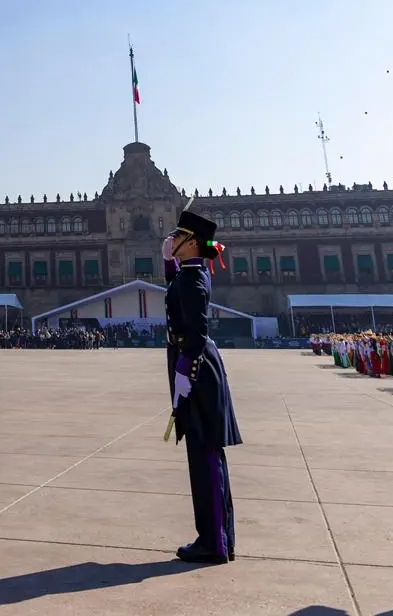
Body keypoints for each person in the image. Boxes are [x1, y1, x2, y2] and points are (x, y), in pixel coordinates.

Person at [163, 208, 242, 565]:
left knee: (205, 454)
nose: (171, 241)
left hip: (196, 369)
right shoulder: (191, 274)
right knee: (203, 453)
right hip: (194, 365)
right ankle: (216, 536)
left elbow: (196, 330)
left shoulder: (193, 279)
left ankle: (214, 541)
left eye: (177, 237)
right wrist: (170, 264)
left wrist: (185, 369)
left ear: (192, 241)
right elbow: (176, 295)